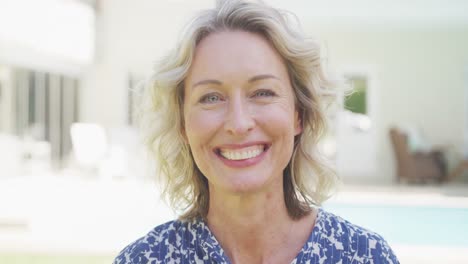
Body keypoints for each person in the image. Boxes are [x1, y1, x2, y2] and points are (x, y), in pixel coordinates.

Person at [114, 0, 399, 263]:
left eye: (262, 92)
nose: (239, 124)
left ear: (298, 115)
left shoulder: (365, 256)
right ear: (183, 125)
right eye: (211, 97)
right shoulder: (144, 259)